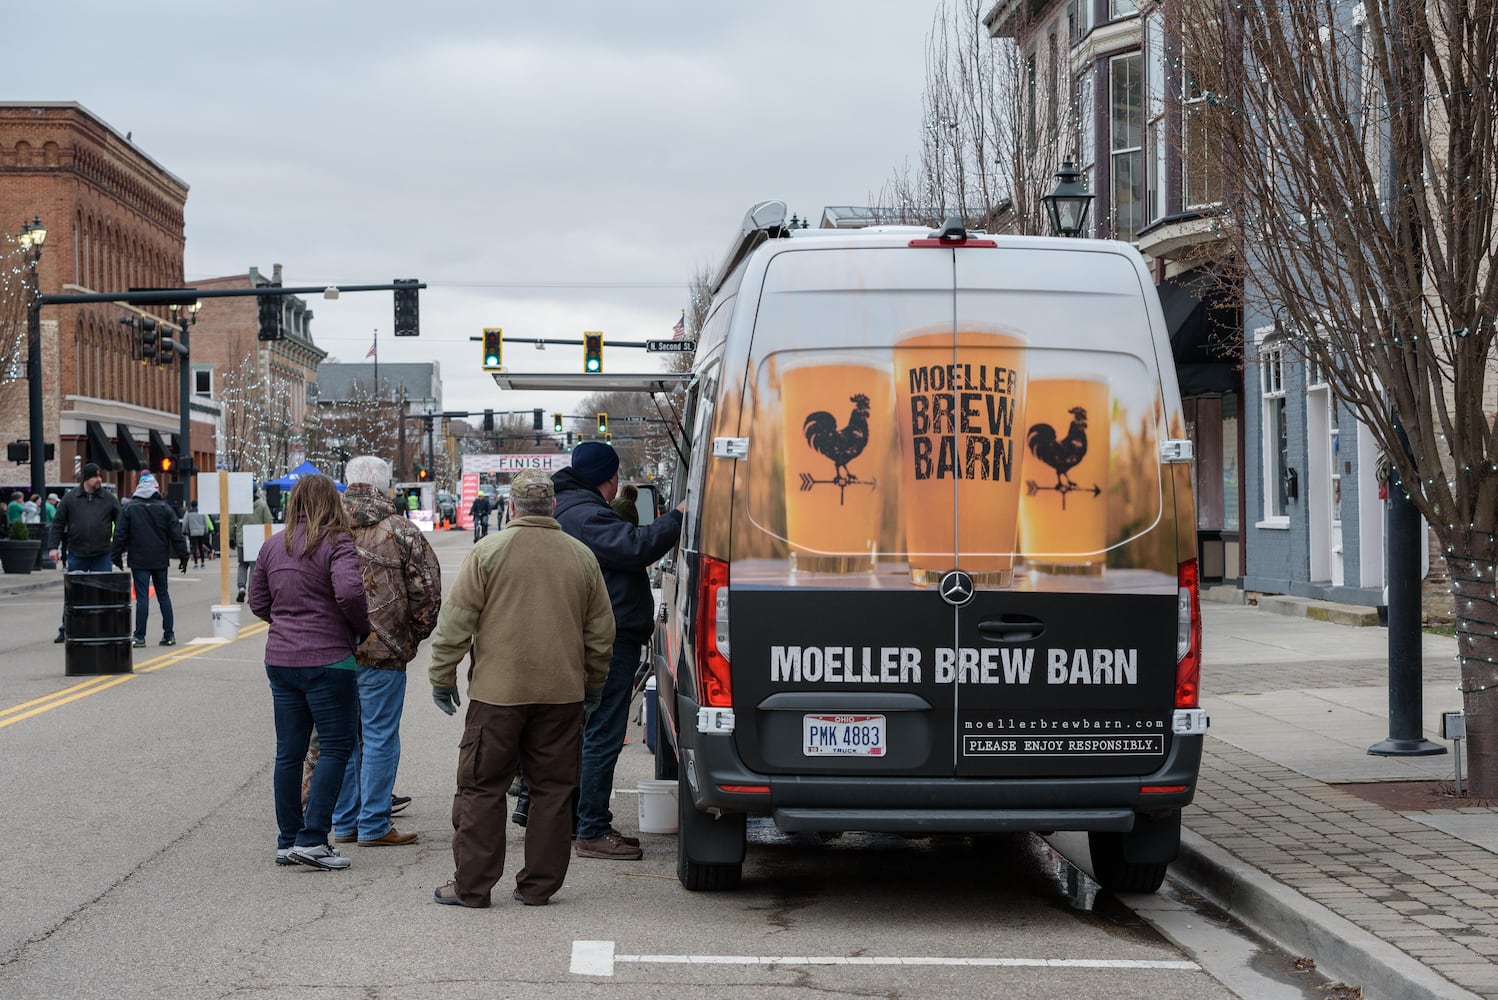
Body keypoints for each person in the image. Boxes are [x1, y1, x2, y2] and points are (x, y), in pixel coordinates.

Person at [426, 469, 613, 907]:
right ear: (551, 507)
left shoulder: (487, 552)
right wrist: (594, 683)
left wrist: (442, 676)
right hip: (562, 696)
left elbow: (456, 623)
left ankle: (472, 887)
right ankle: (538, 887)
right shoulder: (581, 557)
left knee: (481, 787)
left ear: (512, 507)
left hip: (497, 696)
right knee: (553, 790)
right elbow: (601, 632)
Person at [552, 441, 684, 861]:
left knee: (588, 729)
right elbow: (634, 547)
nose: (614, 488)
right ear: (605, 479)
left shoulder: (570, 505)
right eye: (613, 480)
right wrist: (679, 517)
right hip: (608, 638)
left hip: (592, 634)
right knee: (602, 733)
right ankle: (591, 827)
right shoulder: (585, 514)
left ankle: (576, 820)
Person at [249, 474, 371, 871]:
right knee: (336, 747)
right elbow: (350, 593)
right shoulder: (337, 543)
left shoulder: (272, 546)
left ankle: (288, 839)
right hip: (328, 659)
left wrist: (285, 621)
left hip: (281, 659)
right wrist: (358, 628)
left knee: (289, 752)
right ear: (331, 503)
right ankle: (314, 837)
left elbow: (257, 601)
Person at [331, 455, 443, 848]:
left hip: (334, 651)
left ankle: (344, 821)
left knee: (342, 738)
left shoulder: (327, 527)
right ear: (384, 486)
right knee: (379, 736)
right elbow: (427, 591)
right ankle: (374, 823)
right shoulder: (400, 530)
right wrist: (411, 637)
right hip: (385, 652)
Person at [112, 473, 190, 648]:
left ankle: (139, 636)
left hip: (139, 559)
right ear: (155, 489)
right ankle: (169, 634)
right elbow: (176, 535)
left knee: (142, 598)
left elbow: (120, 535)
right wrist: (183, 556)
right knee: (163, 596)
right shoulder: (165, 509)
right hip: (160, 558)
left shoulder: (130, 509)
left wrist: (116, 556)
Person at [49, 463, 122, 643]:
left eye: (100, 477)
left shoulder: (108, 499)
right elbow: (58, 524)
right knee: (73, 594)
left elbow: (121, 523)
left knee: (105, 593)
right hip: (77, 553)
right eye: (95, 477)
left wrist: (119, 547)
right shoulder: (70, 498)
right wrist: (52, 547)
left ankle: (105, 627)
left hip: (102, 553)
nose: (99, 480)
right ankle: (66, 628)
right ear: (86, 479)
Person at [230, 487, 274, 603]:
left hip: (242, 539)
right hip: (256, 540)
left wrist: (231, 537)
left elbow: (230, 522)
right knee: (255, 566)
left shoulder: (239, 505)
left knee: (242, 565)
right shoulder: (262, 505)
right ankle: (252, 593)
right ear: (256, 492)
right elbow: (269, 521)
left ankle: (241, 587)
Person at [183, 501, 211, 570]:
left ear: (191, 505)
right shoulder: (202, 512)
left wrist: (184, 531)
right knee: (201, 547)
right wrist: (206, 531)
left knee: (194, 548)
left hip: (192, 532)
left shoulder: (188, 512)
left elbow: (185, 523)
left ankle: (196, 564)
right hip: (201, 532)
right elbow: (205, 522)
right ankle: (202, 563)